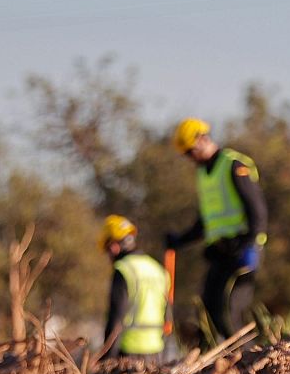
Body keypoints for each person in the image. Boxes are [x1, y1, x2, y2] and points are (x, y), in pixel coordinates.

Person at [165, 118, 268, 341]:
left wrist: (249, 245)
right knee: (207, 310)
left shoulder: (234, 165)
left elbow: (257, 211)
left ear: (203, 139)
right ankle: (216, 363)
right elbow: (207, 220)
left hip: (243, 251)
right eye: (187, 155)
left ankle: (248, 361)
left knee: (229, 312)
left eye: (191, 152)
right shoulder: (203, 175)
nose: (190, 158)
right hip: (221, 253)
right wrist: (180, 240)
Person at [98, 214, 169, 361]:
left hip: (128, 352)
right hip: (156, 352)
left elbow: (116, 317)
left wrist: (107, 357)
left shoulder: (123, 269)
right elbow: (167, 314)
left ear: (113, 246)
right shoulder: (158, 269)